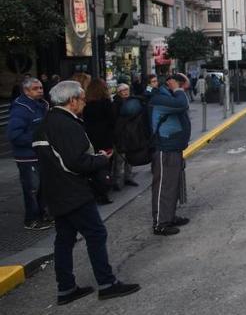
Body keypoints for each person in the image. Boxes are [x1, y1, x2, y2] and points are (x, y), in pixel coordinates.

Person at [33, 81, 140, 305]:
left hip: (55, 191)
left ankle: (66, 288)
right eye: (81, 99)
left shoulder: (46, 123)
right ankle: (107, 284)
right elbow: (76, 162)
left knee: (64, 240)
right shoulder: (67, 124)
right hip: (73, 191)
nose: (84, 102)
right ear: (72, 101)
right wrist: (101, 159)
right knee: (96, 234)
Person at [6, 77, 52, 230]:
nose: (40, 90)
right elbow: (14, 135)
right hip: (27, 156)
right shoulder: (21, 108)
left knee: (43, 187)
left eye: (40, 87)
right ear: (26, 91)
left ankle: (43, 215)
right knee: (32, 189)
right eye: (35, 88)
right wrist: (38, 139)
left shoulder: (42, 105)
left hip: (41, 153)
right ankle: (31, 219)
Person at [149, 74, 192, 236]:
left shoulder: (169, 96)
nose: (183, 89)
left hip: (173, 148)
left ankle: (169, 216)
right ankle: (160, 223)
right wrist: (178, 89)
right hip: (164, 149)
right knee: (164, 186)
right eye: (181, 85)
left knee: (173, 185)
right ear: (171, 83)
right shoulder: (160, 98)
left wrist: (178, 88)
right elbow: (182, 104)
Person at [82, 79, 115, 203]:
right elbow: (112, 120)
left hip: (91, 138)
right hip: (105, 138)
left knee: (93, 163)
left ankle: (95, 190)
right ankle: (103, 191)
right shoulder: (106, 103)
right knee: (106, 163)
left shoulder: (87, 104)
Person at [110, 84, 137, 188]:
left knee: (130, 157)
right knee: (120, 159)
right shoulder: (116, 104)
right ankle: (117, 180)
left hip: (130, 134)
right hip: (120, 135)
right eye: (123, 90)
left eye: (127, 90)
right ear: (119, 92)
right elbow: (115, 120)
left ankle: (128, 177)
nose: (125, 92)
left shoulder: (131, 101)